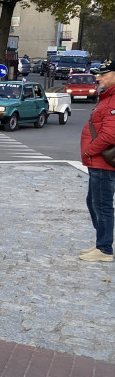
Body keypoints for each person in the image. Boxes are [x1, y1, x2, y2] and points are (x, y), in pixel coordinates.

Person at [79, 60, 115, 263]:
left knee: (102, 205)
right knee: (94, 203)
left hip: (103, 162)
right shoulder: (108, 97)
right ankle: (103, 241)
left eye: (103, 74)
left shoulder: (112, 100)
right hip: (98, 163)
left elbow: (111, 135)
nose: (98, 78)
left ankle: (104, 249)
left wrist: (90, 151)